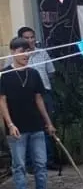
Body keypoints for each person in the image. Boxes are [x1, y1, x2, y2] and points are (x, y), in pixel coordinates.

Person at [1, 37, 57, 189]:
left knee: (41, 163)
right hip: (17, 127)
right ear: (13, 52)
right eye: (21, 51)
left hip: (36, 125)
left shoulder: (33, 74)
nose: (25, 55)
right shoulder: (5, 75)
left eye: (27, 51)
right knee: (20, 166)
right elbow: (2, 101)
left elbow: (39, 99)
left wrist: (48, 122)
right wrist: (10, 124)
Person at [15, 27, 57, 167]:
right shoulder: (16, 57)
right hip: (25, 98)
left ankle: (48, 160)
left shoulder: (42, 53)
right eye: (26, 38)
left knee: (47, 125)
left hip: (44, 94)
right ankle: (30, 163)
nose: (30, 40)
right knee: (28, 129)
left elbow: (50, 73)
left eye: (32, 37)